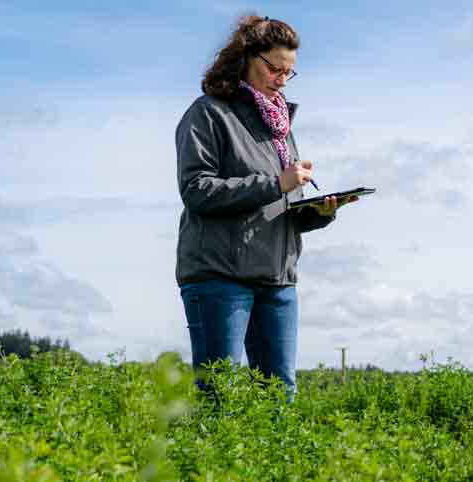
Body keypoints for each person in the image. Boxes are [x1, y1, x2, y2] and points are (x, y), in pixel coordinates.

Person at [174, 14, 355, 402]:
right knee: (217, 394)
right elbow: (196, 190)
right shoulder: (207, 114)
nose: (282, 80)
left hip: (278, 278)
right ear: (246, 58)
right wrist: (276, 183)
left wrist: (318, 213)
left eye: (290, 72)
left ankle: (279, 466)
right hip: (220, 275)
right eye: (275, 68)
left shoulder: (282, 127)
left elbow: (273, 207)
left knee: (280, 394)